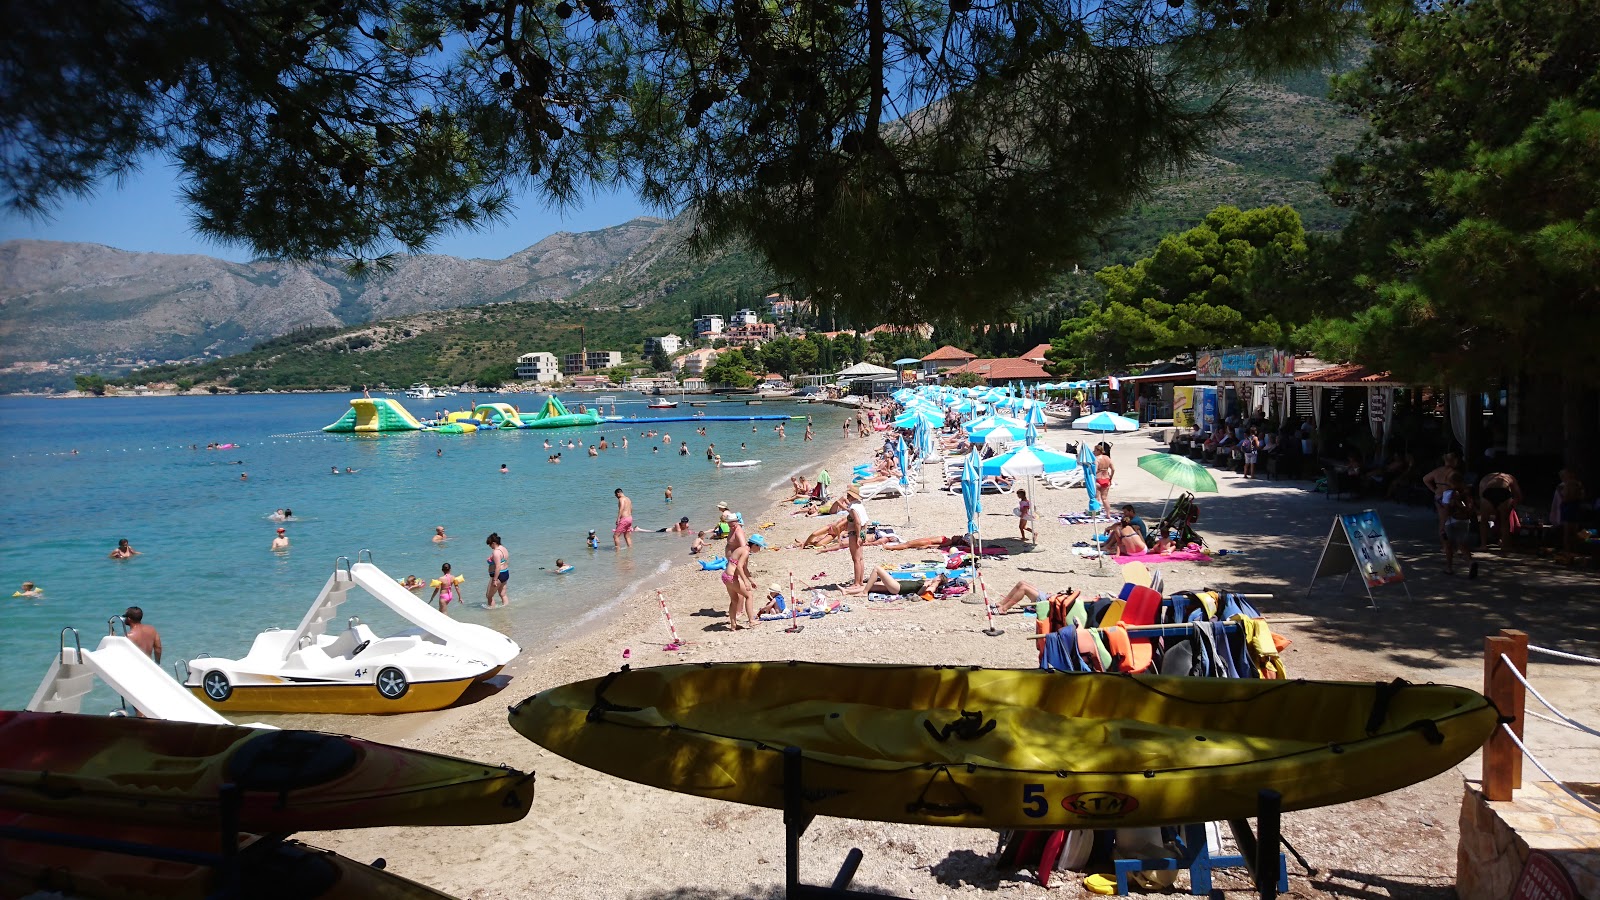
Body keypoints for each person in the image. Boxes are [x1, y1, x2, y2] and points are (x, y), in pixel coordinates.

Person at [1422, 452, 1461, 549]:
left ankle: (1446, 545)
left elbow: (1425, 479)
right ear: (1454, 461)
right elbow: (1458, 486)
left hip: (1439, 495)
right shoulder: (1453, 473)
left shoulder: (1437, 471)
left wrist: (1434, 490)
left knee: (1443, 520)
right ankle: (1448, 546)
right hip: (1449, 495)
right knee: (1452, 521)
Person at [1478, 469, 1523, 550]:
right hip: (1504, 492)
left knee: (1484, 520)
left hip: (1488, 492)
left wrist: (1490, 509)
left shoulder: (1486, 477)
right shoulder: (1509, 477)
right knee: (1505, 521)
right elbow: (1518, 495)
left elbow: (1481, 495)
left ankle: (1483, 545)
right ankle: (1505, 545)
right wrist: (1513, 506)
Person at [1443, 473, 1477, 577]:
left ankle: (1449, 568)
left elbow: (1446, 510)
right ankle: (1470, 562)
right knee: (1462, 544)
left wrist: (1442, 526)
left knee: (1448, 545)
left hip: (1451, 520)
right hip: (1464, 520)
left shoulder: (1448, 493)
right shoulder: (1467, 492)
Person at [843, 485, 868, 593]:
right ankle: (860, 580)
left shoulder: (853, 508)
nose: (847, 496)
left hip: (855, 533)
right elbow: (865, 520)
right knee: (860, 558)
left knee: (856, 559)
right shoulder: (859, 505)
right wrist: (863, 534)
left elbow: (857, 522)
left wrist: (858, 536)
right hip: (862, 532)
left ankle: (857, 583)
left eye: (849, 495)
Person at [485, 533, 510, 607]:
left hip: (498, 575)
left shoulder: (496, 552)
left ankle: (491, 613)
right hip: (505, 573)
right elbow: (504, 561)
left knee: (489, 596)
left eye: (490, 544)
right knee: (503, 594)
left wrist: (495, 580)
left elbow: (498, 567)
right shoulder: (503, 548)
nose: (490, 546)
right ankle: (506, 609)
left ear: (493, 543)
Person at [1094, 442, 1115, 509]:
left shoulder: (1096, 459)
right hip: (1106, 479)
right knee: (1105, 499)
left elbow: (1095, 470)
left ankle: (1097, 513)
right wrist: (1110, 478)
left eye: (1095, 450)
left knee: (1097, 498)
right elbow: (1113, 469)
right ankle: (1108, 514)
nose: (1094, 452)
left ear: (1098, 450)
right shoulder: (1108, 458)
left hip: (1098, 479)